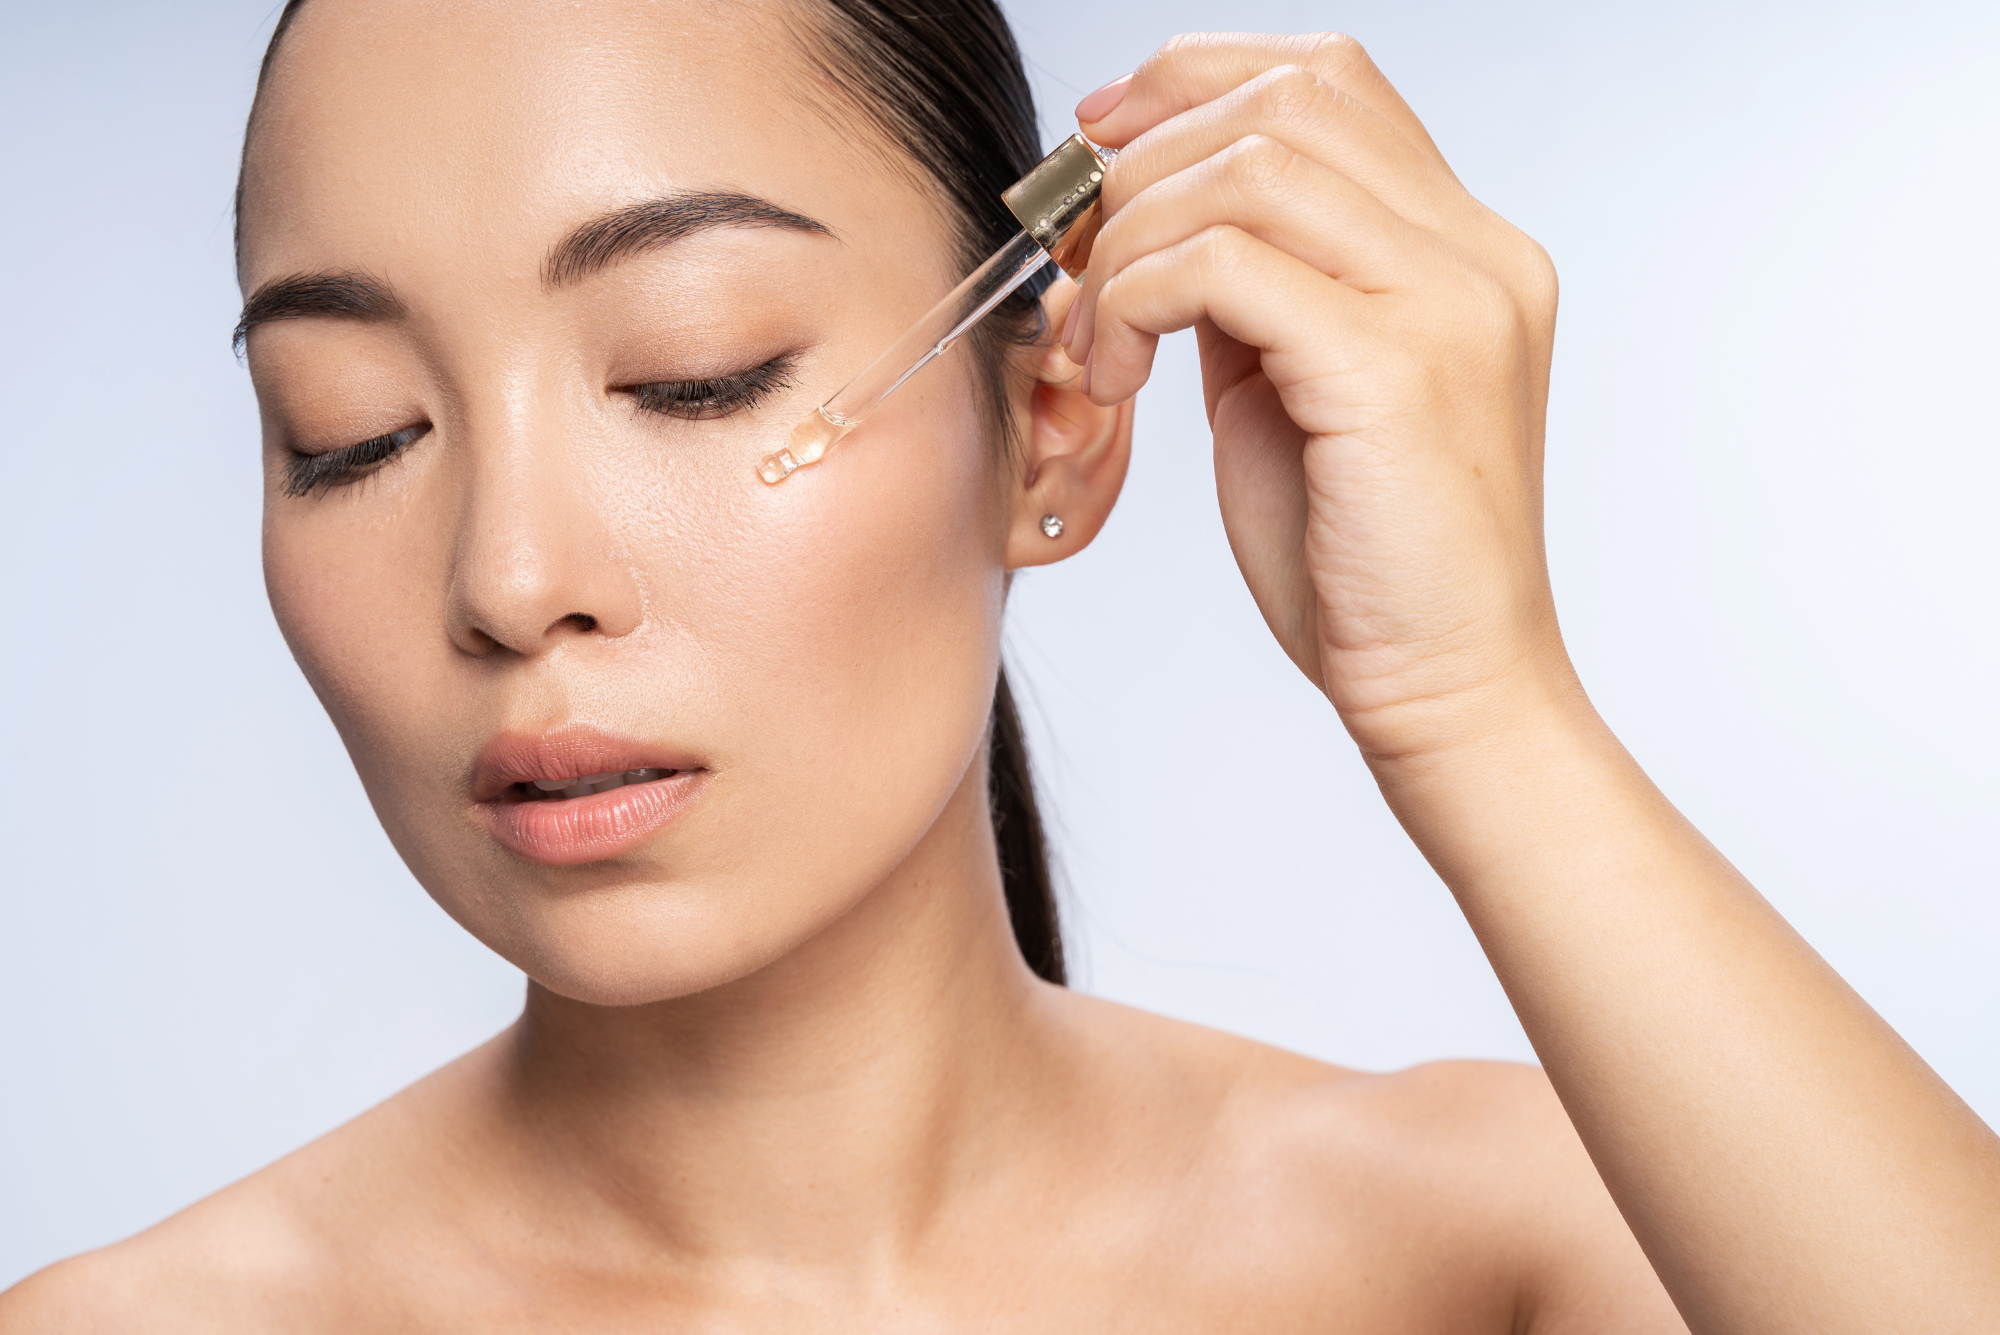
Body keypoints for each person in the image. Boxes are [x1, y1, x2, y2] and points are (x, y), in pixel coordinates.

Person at [5, 1, 1996, 1329]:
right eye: (348, 428)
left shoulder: (1522, 1244)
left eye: (694, 372)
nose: (513, 578)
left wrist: (1481, 709)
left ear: (1051, 417)